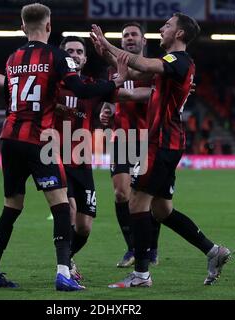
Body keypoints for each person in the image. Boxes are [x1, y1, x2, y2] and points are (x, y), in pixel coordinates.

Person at [0, 3, 126, 291]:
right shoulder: (57, 56)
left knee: (11, 206)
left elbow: (8, 90)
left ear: (22, 27)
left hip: (9, 137)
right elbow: (80, 88)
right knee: (60, 207)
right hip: (38, 140)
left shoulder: (13, 57)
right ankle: (63, 273)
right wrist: (111, 84)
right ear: (49, 26)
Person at [91, 12, 231, 288]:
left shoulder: (178, 61)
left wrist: (108, 45)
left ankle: (142, 274)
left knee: (136, 203)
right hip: (168, 141)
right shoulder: (172, 64)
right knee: (162, 210)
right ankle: (213, 251)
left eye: (167, 26)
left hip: (162, 142)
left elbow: (140, 63)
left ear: (179, 34)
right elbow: (131, 72)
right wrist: (109, 55)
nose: (161, 29)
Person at [96, 22, 162, 268]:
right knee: (121, 193)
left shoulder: (154, 68)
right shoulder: (113, 69)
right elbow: (110, 101)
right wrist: (106, 110)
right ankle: (132, 247)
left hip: (149, 138)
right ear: (121, 42)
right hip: (121, 137)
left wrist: (116, 94)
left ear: (144, 41)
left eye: (134, 35)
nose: (130, 38)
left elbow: (150, 95)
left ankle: (151, 246)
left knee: (149, 199)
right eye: (125, 36)